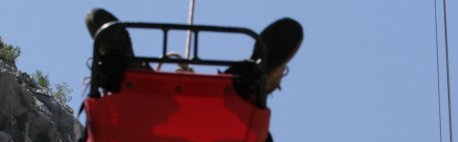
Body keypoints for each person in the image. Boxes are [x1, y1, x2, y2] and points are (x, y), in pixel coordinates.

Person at [84, 8, 303, 101]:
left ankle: (127, 74)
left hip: (144, 135)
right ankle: (250, 82)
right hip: (218, 136)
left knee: (142, 101)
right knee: (234, 103)